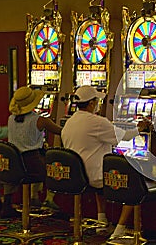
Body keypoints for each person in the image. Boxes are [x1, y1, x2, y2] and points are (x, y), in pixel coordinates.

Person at [61, 85, 151, 238]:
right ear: (91, 104)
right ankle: (119, 231)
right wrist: (140, 128)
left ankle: (102, 221)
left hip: (77, 176)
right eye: (96, 101)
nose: (98, 104)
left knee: (101, 171)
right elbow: (124, 137)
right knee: (133, 180)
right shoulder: (96, 121)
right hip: (94, 177)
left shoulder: (70, 121)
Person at [0, 86, 62, 218]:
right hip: (31, 165)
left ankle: (12, 203)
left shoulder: (11, 119)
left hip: (13, 165)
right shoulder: (40, 120)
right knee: (55, 163)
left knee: (39, 157)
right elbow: (61, 131)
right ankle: (49, 199)